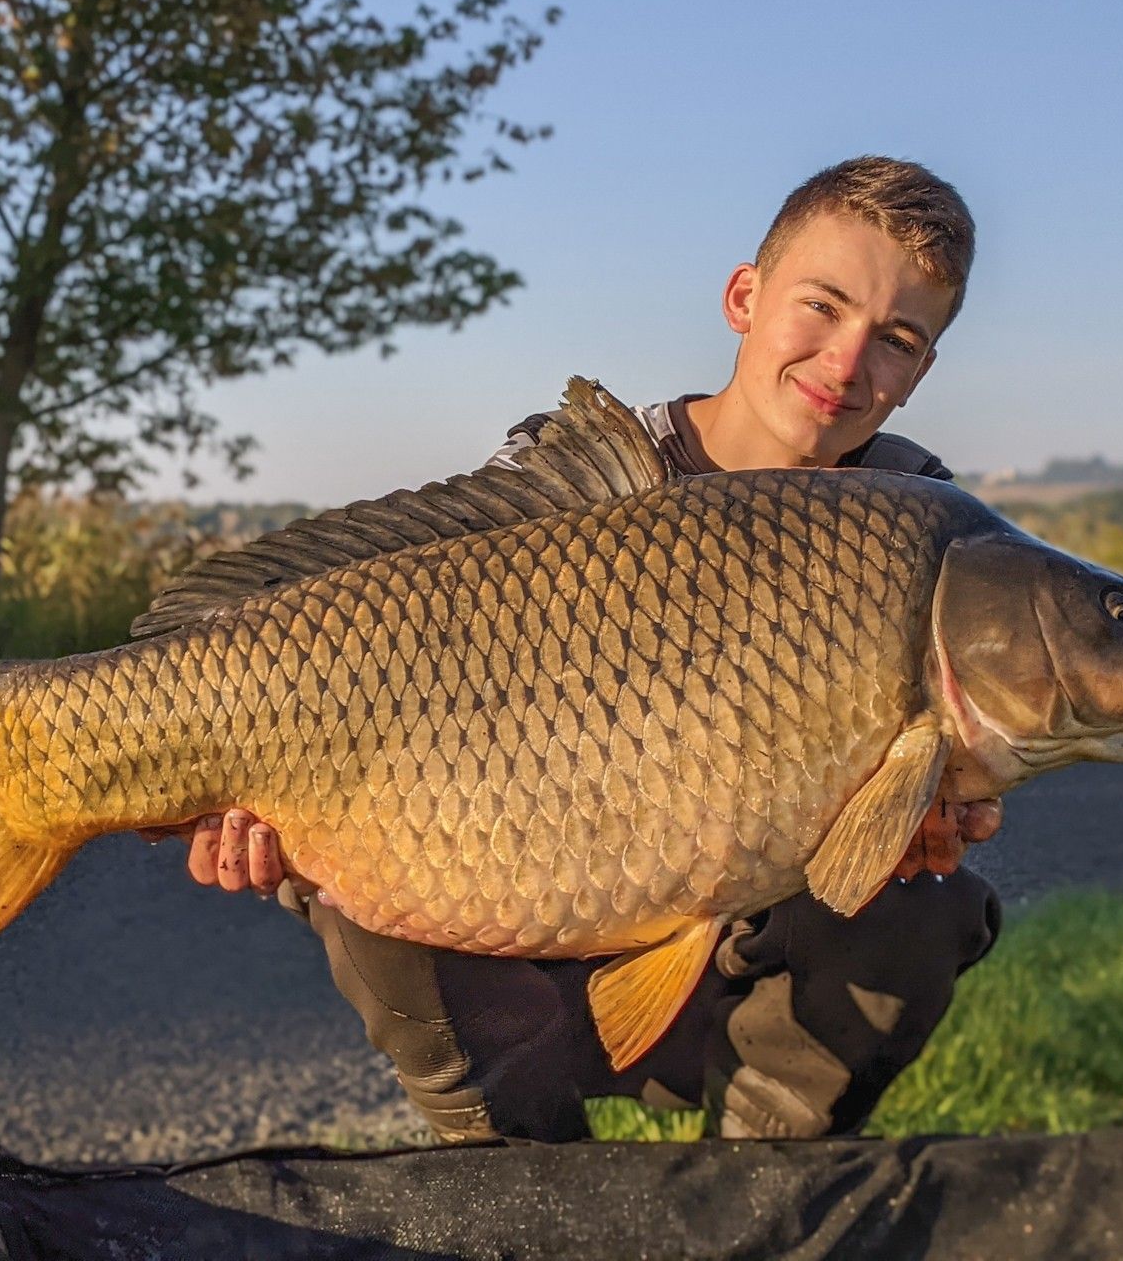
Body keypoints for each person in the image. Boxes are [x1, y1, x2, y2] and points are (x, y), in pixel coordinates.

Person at [153, 156, 1005, 1142]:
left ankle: (755, 1194)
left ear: (923, 369)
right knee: (360, 876)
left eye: (896, 339)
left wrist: (942, 806)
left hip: (730, 985)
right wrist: (275, 816)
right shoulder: (579, 476)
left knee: (929, 894)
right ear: (744, 294)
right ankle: (525, 1189)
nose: (847, 362)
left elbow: (968, 758)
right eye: (821, 306)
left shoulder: (923, 525)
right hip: (511, 962)